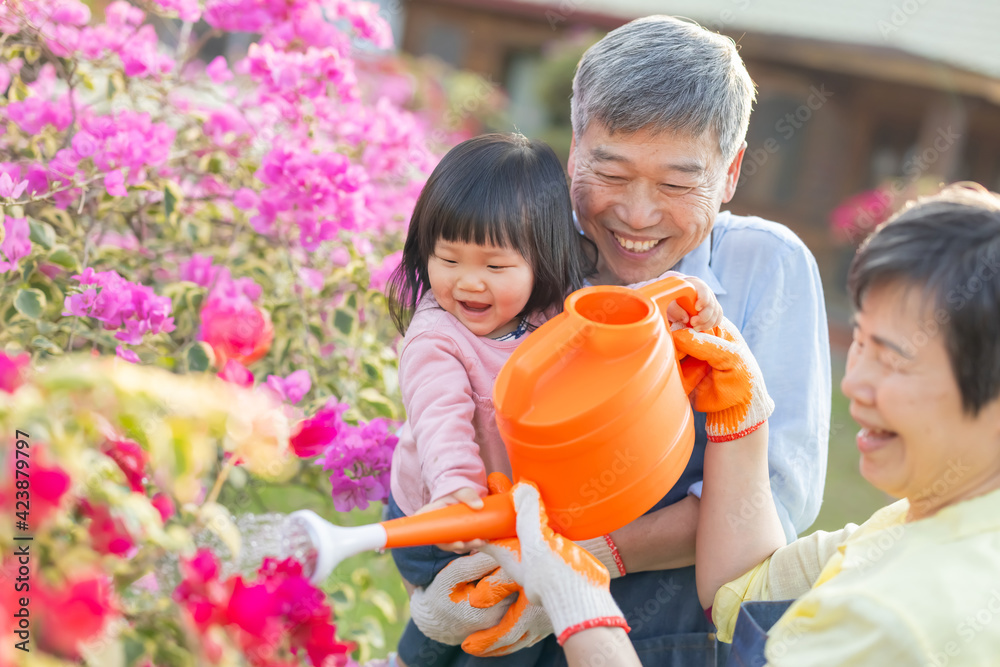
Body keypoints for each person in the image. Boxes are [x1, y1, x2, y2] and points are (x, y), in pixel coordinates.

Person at [404, 15, 831, 666]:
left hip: (669, 634)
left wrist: (582, 566)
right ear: (575, 148)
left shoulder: (766, 269)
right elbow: (441, 413)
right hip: (500, 622)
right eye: (612, 172)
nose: (636, 214)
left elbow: (775, 498)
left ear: (732, 170)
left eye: (676, 184)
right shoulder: (513, 252)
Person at [490, 183, 1000, 667]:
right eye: (861, 344)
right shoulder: (913, 525)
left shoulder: (894, 619)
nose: (855, 384)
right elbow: (745, 597)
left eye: (895, 359)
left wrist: (576, 601)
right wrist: (741, 415)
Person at [383, 133, 722, 666]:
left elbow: (611, 316)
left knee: (514, 614)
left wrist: (671, 296)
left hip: (500, 511)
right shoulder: (436, 340)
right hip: (439, 517)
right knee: (456, 617)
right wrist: (455, 493)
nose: (469, 283)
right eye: (447, 259)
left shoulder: (546, 309)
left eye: (495, 267)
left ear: (541, 259)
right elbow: (439, 420)